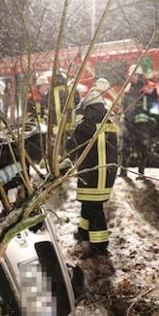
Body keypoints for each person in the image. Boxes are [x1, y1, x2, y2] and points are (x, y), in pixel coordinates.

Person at [66, 90, 118, 256]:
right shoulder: (110, 123)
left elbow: (70, 147)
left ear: (87, 107)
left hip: (90, 175)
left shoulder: (84, 126)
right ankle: (84, 232)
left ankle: (99, 245)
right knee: (89, 204)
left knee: (94, 209)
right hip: (107, 175)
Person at [118, 64, 159, 177]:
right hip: (128, 121)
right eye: (132, 75)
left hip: (143, 122)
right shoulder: (127, 87)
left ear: (140, 75)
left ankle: (141, 172)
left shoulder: (149, 87)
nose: (133, 77)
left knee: (143, 147)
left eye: (135, 74)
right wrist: (122, 118)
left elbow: (154, 103)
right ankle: (123, 172)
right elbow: (124, 104)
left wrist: (152, 119)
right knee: (124, 148)